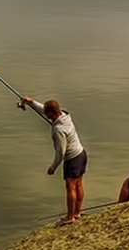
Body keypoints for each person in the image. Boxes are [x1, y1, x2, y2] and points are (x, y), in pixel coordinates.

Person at [20, 96, 87, 225]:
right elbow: (44, 109)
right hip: (81, 154)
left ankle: (70, 217)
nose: (45, 114)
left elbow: (60, 152)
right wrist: (31, 102)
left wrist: (53, 167)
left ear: (51, 113)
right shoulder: (65, 115)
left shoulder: (59, 130)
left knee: (70, 187)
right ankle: (77, 213)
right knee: (78, 184)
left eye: (46, 113)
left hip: (72, 158)